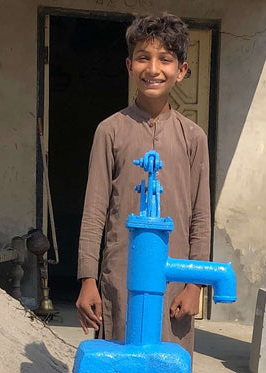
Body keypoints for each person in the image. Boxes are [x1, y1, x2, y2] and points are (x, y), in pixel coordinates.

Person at [76, 13, 210, 354]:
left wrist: (194, 284)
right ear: (129, 65)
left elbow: (200, 217)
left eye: (165, 59)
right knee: (118, 367)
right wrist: (88, 279)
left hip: (173, 281)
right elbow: (94, 211)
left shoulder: (193, 138)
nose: (153, 68)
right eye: (143, 58)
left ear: (180, 71)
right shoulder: (111, 131)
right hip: (120, 279)